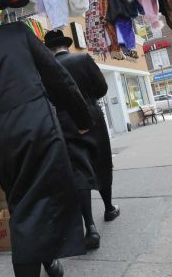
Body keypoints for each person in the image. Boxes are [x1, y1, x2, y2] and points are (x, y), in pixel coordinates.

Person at [0, 0, 92, 277]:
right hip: (40, 126)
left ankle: (47, 259)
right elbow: (57, 76)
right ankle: (47, 258)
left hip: (0, 140)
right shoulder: (18, 32)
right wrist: (82, 118)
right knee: (49, 197)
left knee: (22, 204)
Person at [44, 30, 120, 252]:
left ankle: (90, 226)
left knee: (79, 169)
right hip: (92, 114)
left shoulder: (46, 70)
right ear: (66, 45)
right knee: (102, 161)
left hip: (65, 121)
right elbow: (102, 89)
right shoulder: (83, 59)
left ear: (49, 49)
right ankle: (108, 208)